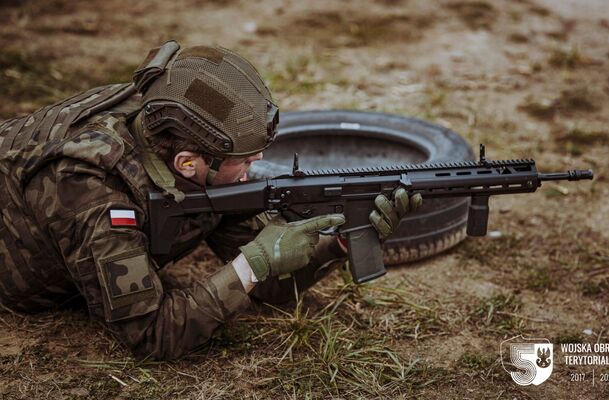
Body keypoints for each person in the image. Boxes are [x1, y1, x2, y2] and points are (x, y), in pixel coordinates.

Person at [0, 41, 421, 360]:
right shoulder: (91, 190)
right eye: (245, 159)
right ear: (188, 164)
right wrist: (251, 262)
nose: (257, 163)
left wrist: (341, 241)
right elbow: (153, 333)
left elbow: (267, 281)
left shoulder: (174, 119)